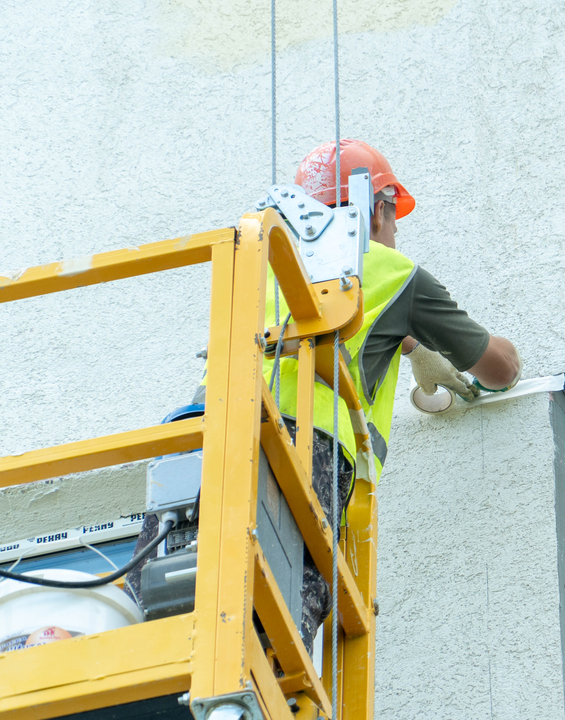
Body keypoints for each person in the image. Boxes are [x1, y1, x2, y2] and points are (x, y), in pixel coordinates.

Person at [126, 140, 521, 656]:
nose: (395, 231)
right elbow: (499, 368)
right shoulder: (390, 271)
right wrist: (436, 350)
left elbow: (309, 329)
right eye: (394, 216)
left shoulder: (261, 264)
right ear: (376, 208)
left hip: (204, 438)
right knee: (275, 622)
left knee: (164, 595)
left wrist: (406, 342)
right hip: (304, 447)